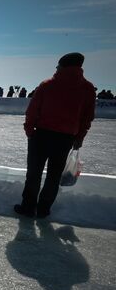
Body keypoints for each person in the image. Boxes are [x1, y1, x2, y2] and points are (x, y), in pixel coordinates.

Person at [14, 52, 96, 218]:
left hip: (42, 135)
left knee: (34, 173)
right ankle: (44, 209)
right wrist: (79, 137)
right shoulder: (87, 88)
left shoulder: (47, 85)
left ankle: (28, 207)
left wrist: (29, 131)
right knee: (54, 175)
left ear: (63, 66)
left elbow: (32, 110)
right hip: (65, 138)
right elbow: (87, 117)